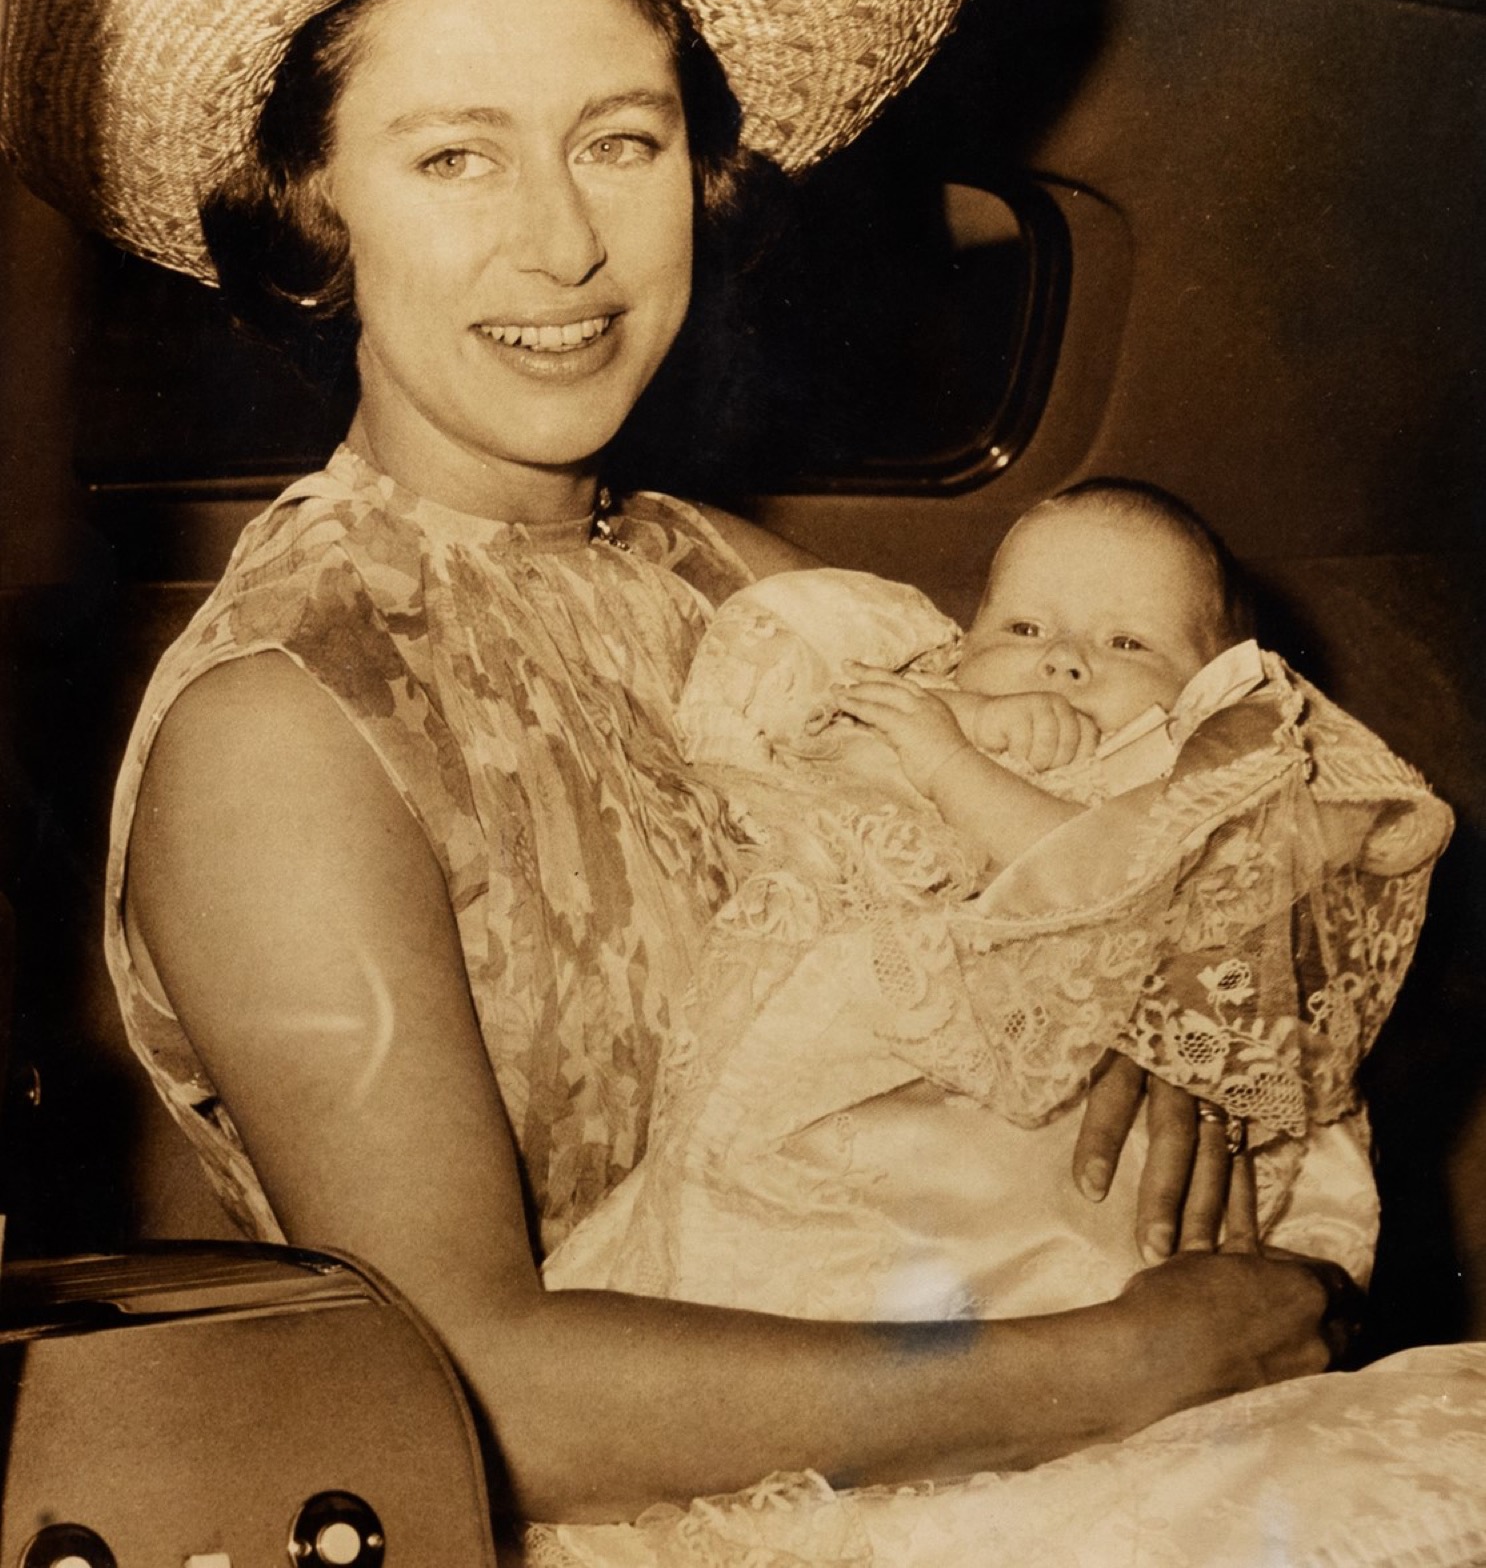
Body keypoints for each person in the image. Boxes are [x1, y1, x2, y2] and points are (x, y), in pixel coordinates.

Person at [3, 0, 1482, 1566]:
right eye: (453, 154)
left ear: (700, 175)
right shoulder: (283, 720)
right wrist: (1112, 1364)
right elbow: (466, 1385)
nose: (562, 243)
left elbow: (1056, 845)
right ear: (314, 208)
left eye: (619, 140)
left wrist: (1148, 1004)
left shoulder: (733, 578)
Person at [543, 478, 1446, 1328]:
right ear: (964, 643)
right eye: (1022, 627)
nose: (1064, 660)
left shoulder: (1172, 782)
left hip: (1056, 1122)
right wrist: (949, 730)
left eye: (1128, 645)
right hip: (882, 1059)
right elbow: (815, 764)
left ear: (1206, 693)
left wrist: (954, 767)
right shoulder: (933, 705)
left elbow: (1094, 876)